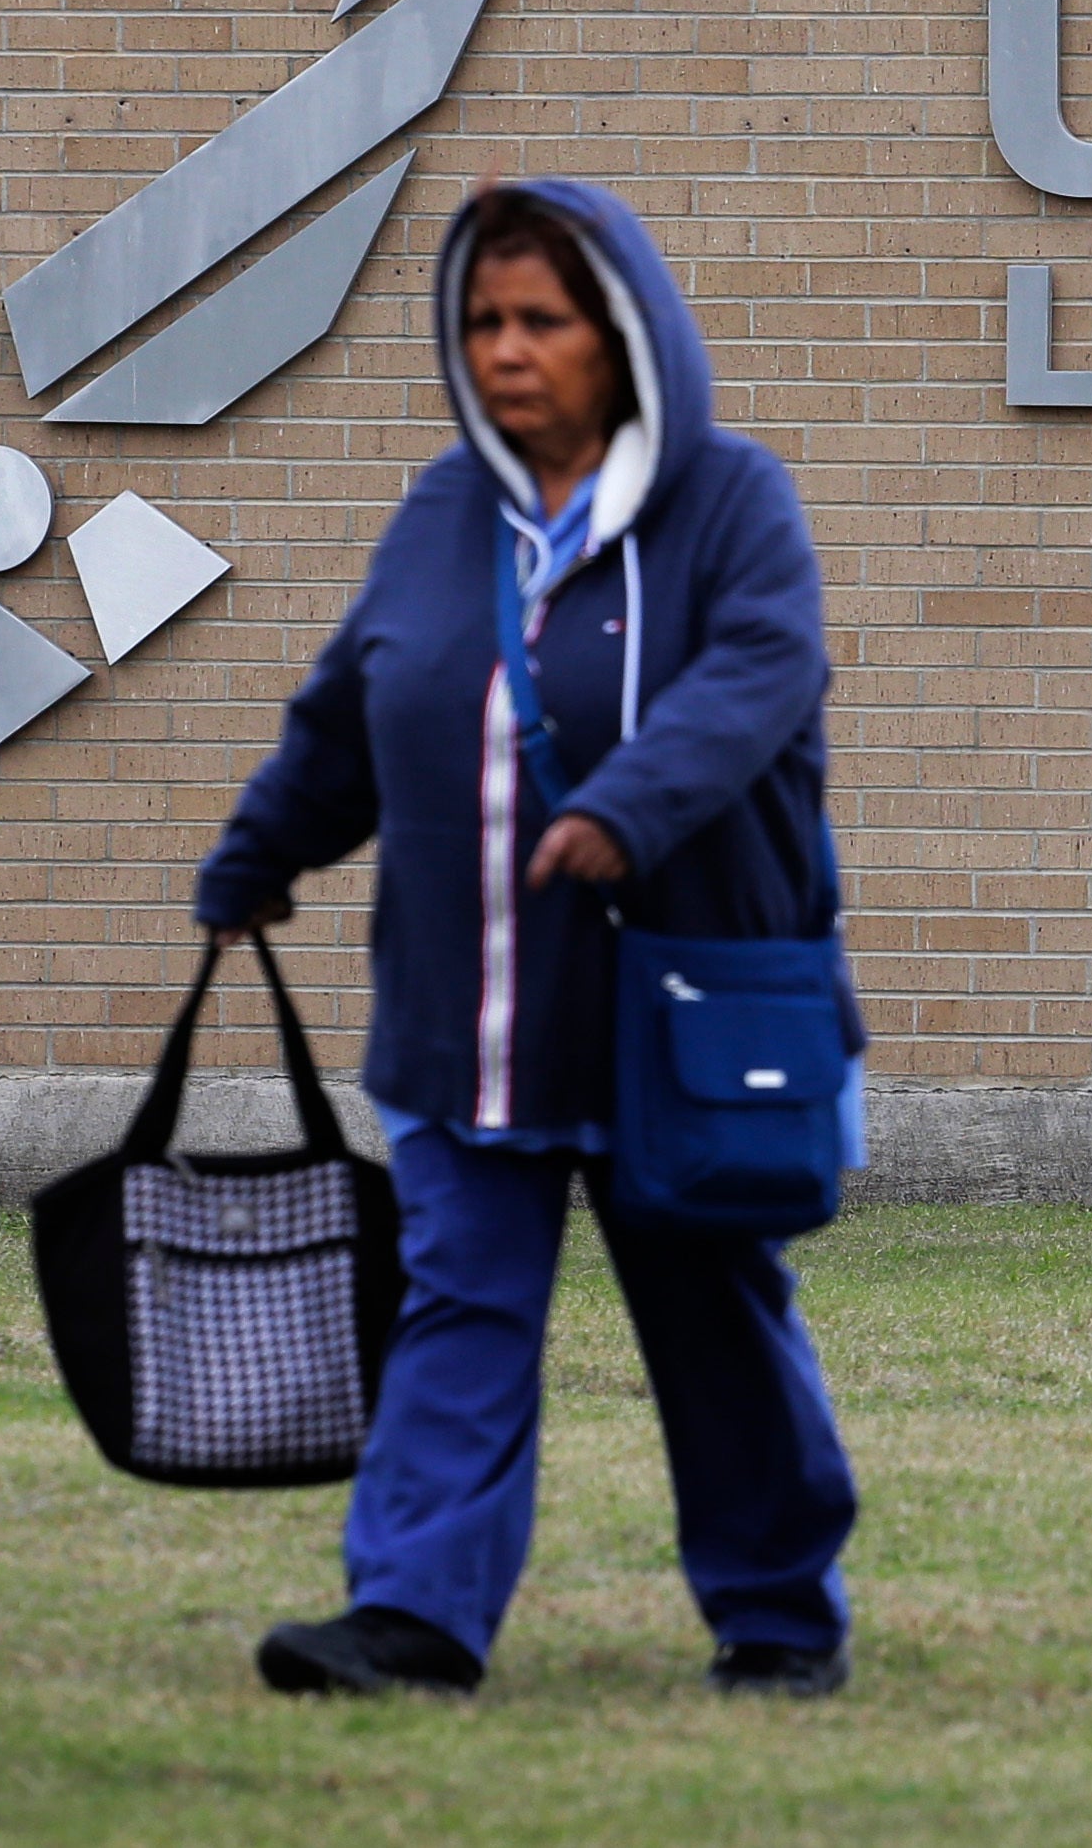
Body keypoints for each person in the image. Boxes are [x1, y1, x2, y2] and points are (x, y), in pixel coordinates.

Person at [191, 177, 861, 1701]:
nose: (505, 350)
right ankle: (417, 1618)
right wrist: (259, 853)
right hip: (468, 1015)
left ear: (622, 337)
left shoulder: (733, 501)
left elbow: (765, 670)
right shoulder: (445, 512)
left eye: (542, 321)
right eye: (484, 320)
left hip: (670, 1018)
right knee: (460, 1314)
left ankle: (778, 1614)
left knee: (717, 1326)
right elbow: (357, 702)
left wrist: (629, 804)